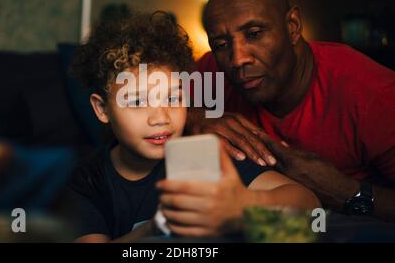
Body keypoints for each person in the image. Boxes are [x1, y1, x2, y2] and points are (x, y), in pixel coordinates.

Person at [67, 12, 320, 242]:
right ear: (102, 109)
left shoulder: (200, 156)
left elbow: (310, 207)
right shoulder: (86, 180)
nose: (161, 118)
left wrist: (242, 205)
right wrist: (157, 227)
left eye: (172, 98)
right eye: (137, 101)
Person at [187, 0, 395, 221]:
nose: (237, 59)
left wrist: (346, 192)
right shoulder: (212, 70)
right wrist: (195, 117)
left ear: (293, 27)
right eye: (221, 44)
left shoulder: (374, 94)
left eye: (254, 33)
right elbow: (148, 107)